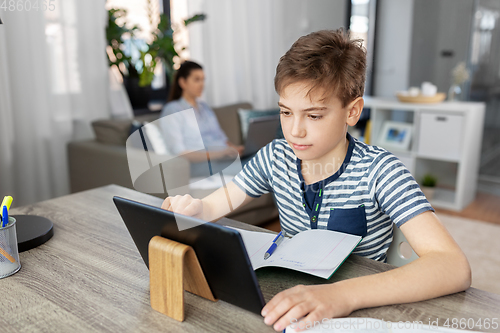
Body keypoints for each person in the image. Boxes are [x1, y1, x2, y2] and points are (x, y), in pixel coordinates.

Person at [161, 29, 471, 331]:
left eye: (314, 115)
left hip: (361, 311)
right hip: (292, 302)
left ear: (352, 112)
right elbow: (220, 201)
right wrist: (194, 209)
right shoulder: (276, 156)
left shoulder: (381, 171)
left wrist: (340, 296)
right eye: (285, 112)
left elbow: (453, 266)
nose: (295, 131)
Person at [160, 61, 244, 176]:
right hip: (201, 165)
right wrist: (220, 154)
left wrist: (236, 149)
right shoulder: (173, 110)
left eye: (203, 79)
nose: (202, 84)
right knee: (255, 171)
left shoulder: (205, 107)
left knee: (262, 162)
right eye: (196, 79)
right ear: (183, 82)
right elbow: (179, 152)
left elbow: (222, 138)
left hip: (223, 158)